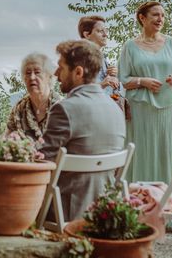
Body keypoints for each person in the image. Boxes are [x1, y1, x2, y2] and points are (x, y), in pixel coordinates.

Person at [40, 40, 125, 221]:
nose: (56, 73)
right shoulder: (115, 109)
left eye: (61, 67)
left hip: (65, 210)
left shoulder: (64, 109)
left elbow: (41, 161)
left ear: (78, 72)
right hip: (106, 209)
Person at [118, 1, 172, 183]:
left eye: (162, 15)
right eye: (155, 14)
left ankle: (169, 199)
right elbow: (123, 79)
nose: (160, 18)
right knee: (142, 151)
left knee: (168, 152)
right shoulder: (129, 46)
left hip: (169, 107)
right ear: (142, 18)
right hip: (140, 110)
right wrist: (142, 81)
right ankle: (139, 199)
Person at [7, 53, 62, 141]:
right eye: (28, 73)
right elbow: (6, 138)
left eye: (37, 72)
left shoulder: (61, 107)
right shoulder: (19, 109)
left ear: (49, 76)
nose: (32, 77)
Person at [78, 15, 124, 111]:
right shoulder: (80, 58)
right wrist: (103, 83)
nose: (105, 35)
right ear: (87, 35)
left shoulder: (103, 58)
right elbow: (77, 92)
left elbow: (114, 91)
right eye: (100, 31)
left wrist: (115, 79)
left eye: (106, 31)